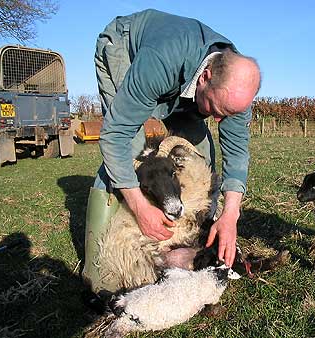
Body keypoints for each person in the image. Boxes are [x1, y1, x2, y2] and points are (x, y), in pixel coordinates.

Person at [82, 8, 261, 293]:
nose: (218, 120)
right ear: (205, 77)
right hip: (126, 50)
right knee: (132, 149)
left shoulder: (235, 90)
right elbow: (115, 135)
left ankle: (195, 235)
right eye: (216, 110)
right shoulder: (161, 60)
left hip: (184, 88)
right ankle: (100, 266)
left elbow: (237, 152)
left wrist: (230, 215)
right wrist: (140, 207)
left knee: (200, 152)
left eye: (226, 114)